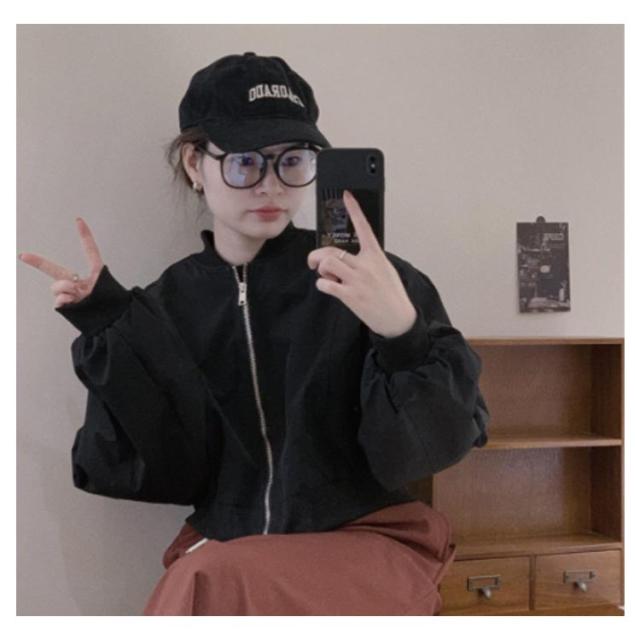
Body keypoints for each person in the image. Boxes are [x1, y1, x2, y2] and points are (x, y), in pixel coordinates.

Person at [18, 52, 490, 615]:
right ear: (195, 164)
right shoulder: (167, 304)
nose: (271, 187)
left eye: (292, 161)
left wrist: (402, 333)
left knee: (208, 580)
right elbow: (160, 468)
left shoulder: (372, 280)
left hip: (365, 537)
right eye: (246, 162)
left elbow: (433, 448)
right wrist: (111, 327)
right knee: (213, 575)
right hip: (232, 541)